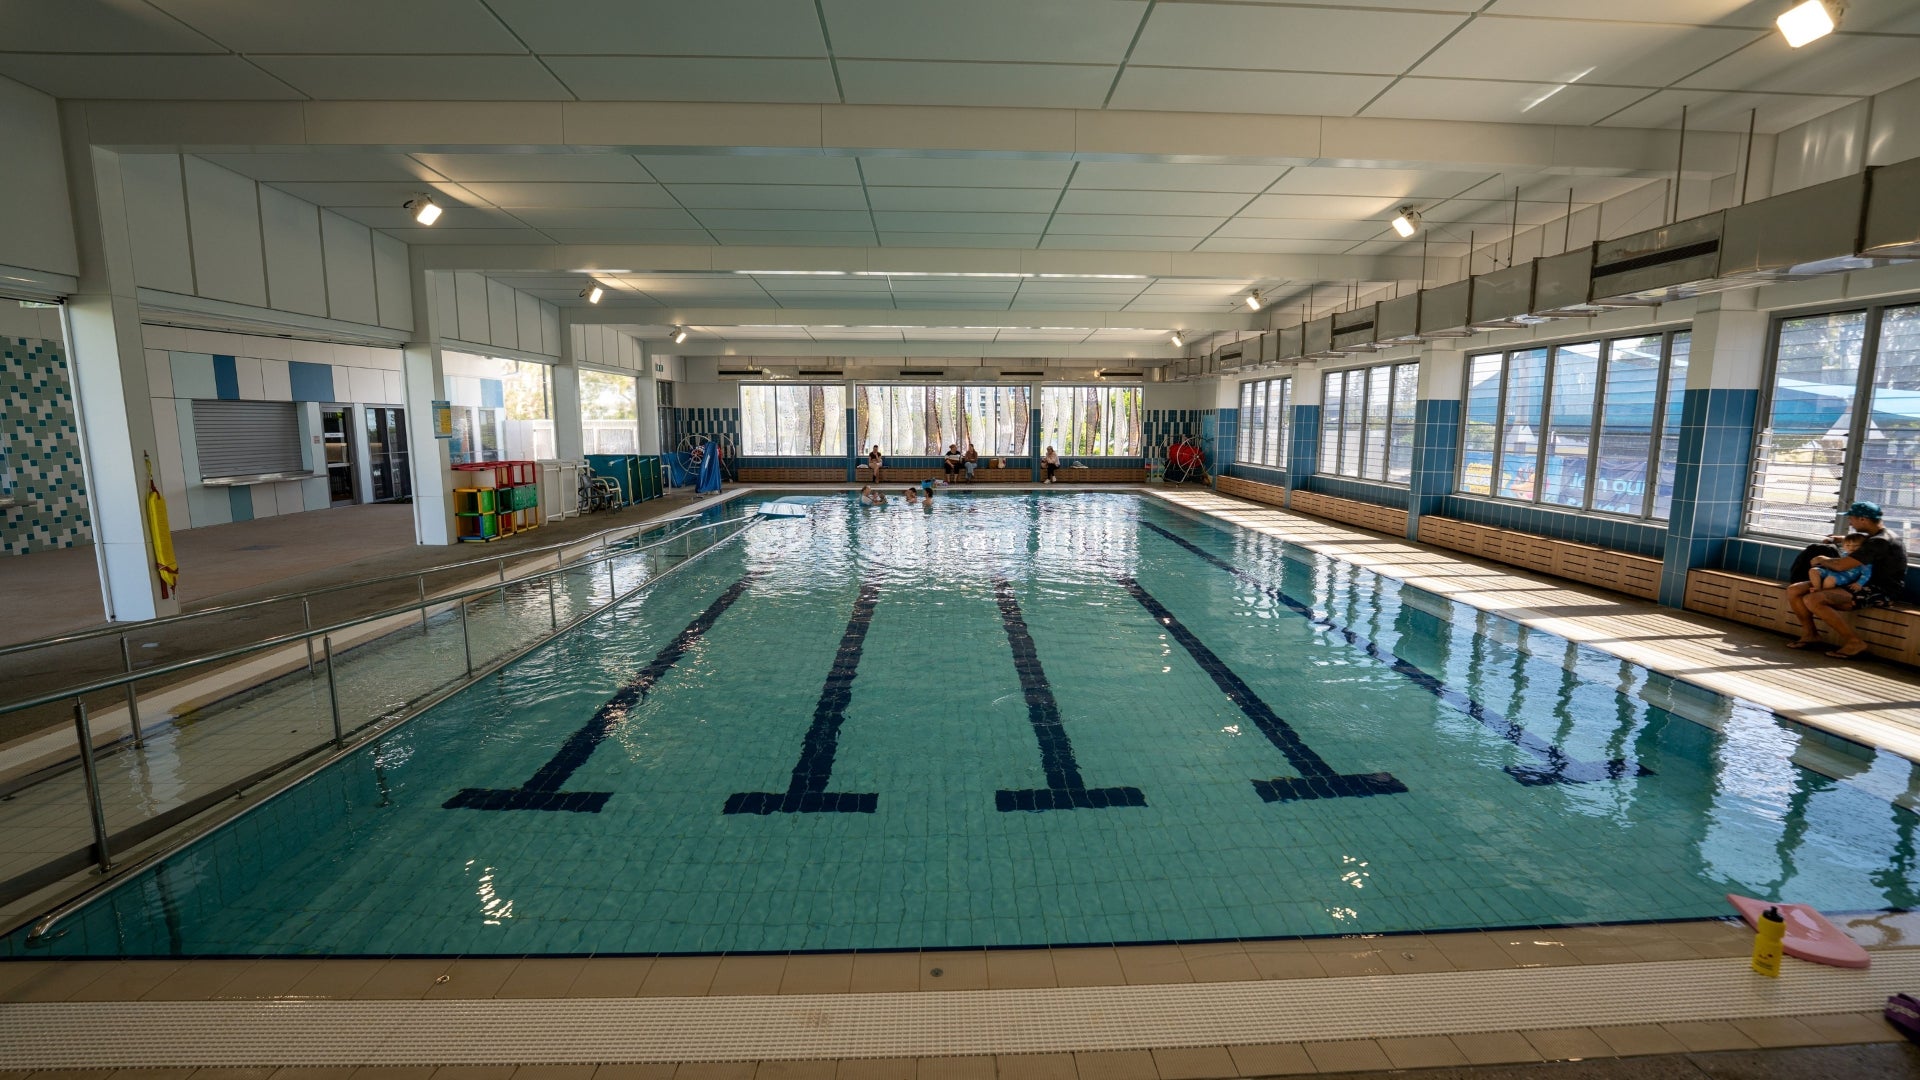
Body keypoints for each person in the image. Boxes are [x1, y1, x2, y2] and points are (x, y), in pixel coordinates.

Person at [1786, 501, 1908, 659]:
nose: (1849, 522)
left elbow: (1841, 566)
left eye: (1851, 518)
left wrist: (1822, 559)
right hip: (1856, 580)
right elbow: (1866, 544)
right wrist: (1842, 539)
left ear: (1863, 519)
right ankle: (1810, 635)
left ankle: (1854, 642)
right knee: (1794, 590)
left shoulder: (1880, 541)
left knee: (1813, 599)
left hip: (1879, 589)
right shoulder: (1879, 536)